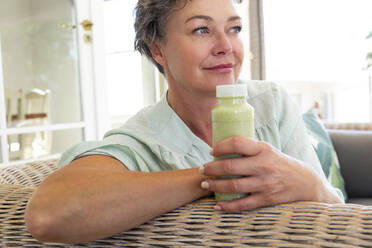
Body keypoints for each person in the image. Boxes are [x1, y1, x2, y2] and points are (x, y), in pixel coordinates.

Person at [25, 0, 344, 244]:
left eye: (233, 29)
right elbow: (48, 214)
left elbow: (336, 217)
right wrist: (215, 177)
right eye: (202, 30)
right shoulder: (143, 141)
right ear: (158, 50)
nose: (226, 47)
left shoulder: (270, 103)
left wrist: (314, 186)